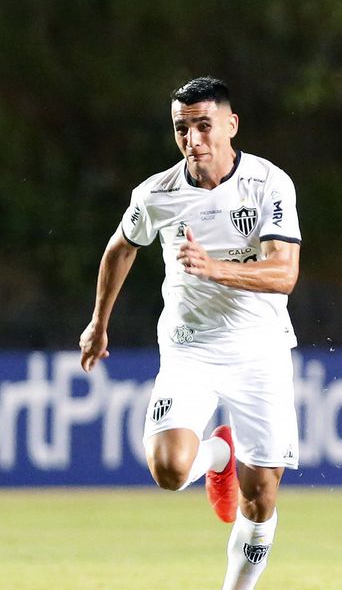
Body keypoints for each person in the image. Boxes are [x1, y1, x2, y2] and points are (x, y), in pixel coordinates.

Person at [79, 77, 302, 590]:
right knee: (170, 469)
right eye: (183, 128)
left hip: (260, 351)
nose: (193, 139)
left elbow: (284, 273)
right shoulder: (156, 193)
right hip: (190, 349)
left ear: (231, 124)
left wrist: (214, 268)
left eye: (204, 125)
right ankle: (219, 454)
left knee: (260, 496)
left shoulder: (269, 183)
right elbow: (121, 247)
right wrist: (98, 322)